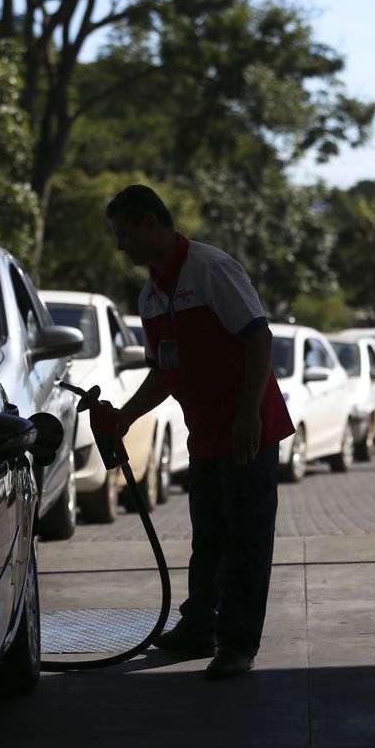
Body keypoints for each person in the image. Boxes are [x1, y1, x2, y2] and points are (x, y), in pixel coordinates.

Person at [107, 184, 295, 680]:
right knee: (209, 535)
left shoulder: (210, 269)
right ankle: (198, 627)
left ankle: (237, 645)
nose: (120, 245)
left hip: (247, 429)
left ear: (151, 223)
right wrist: (124, 415)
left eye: (124, 233)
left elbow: (259, 336)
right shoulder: (151, 296)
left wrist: (249, 414)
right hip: (207, 432)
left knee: (247, 538)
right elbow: (164, 373)